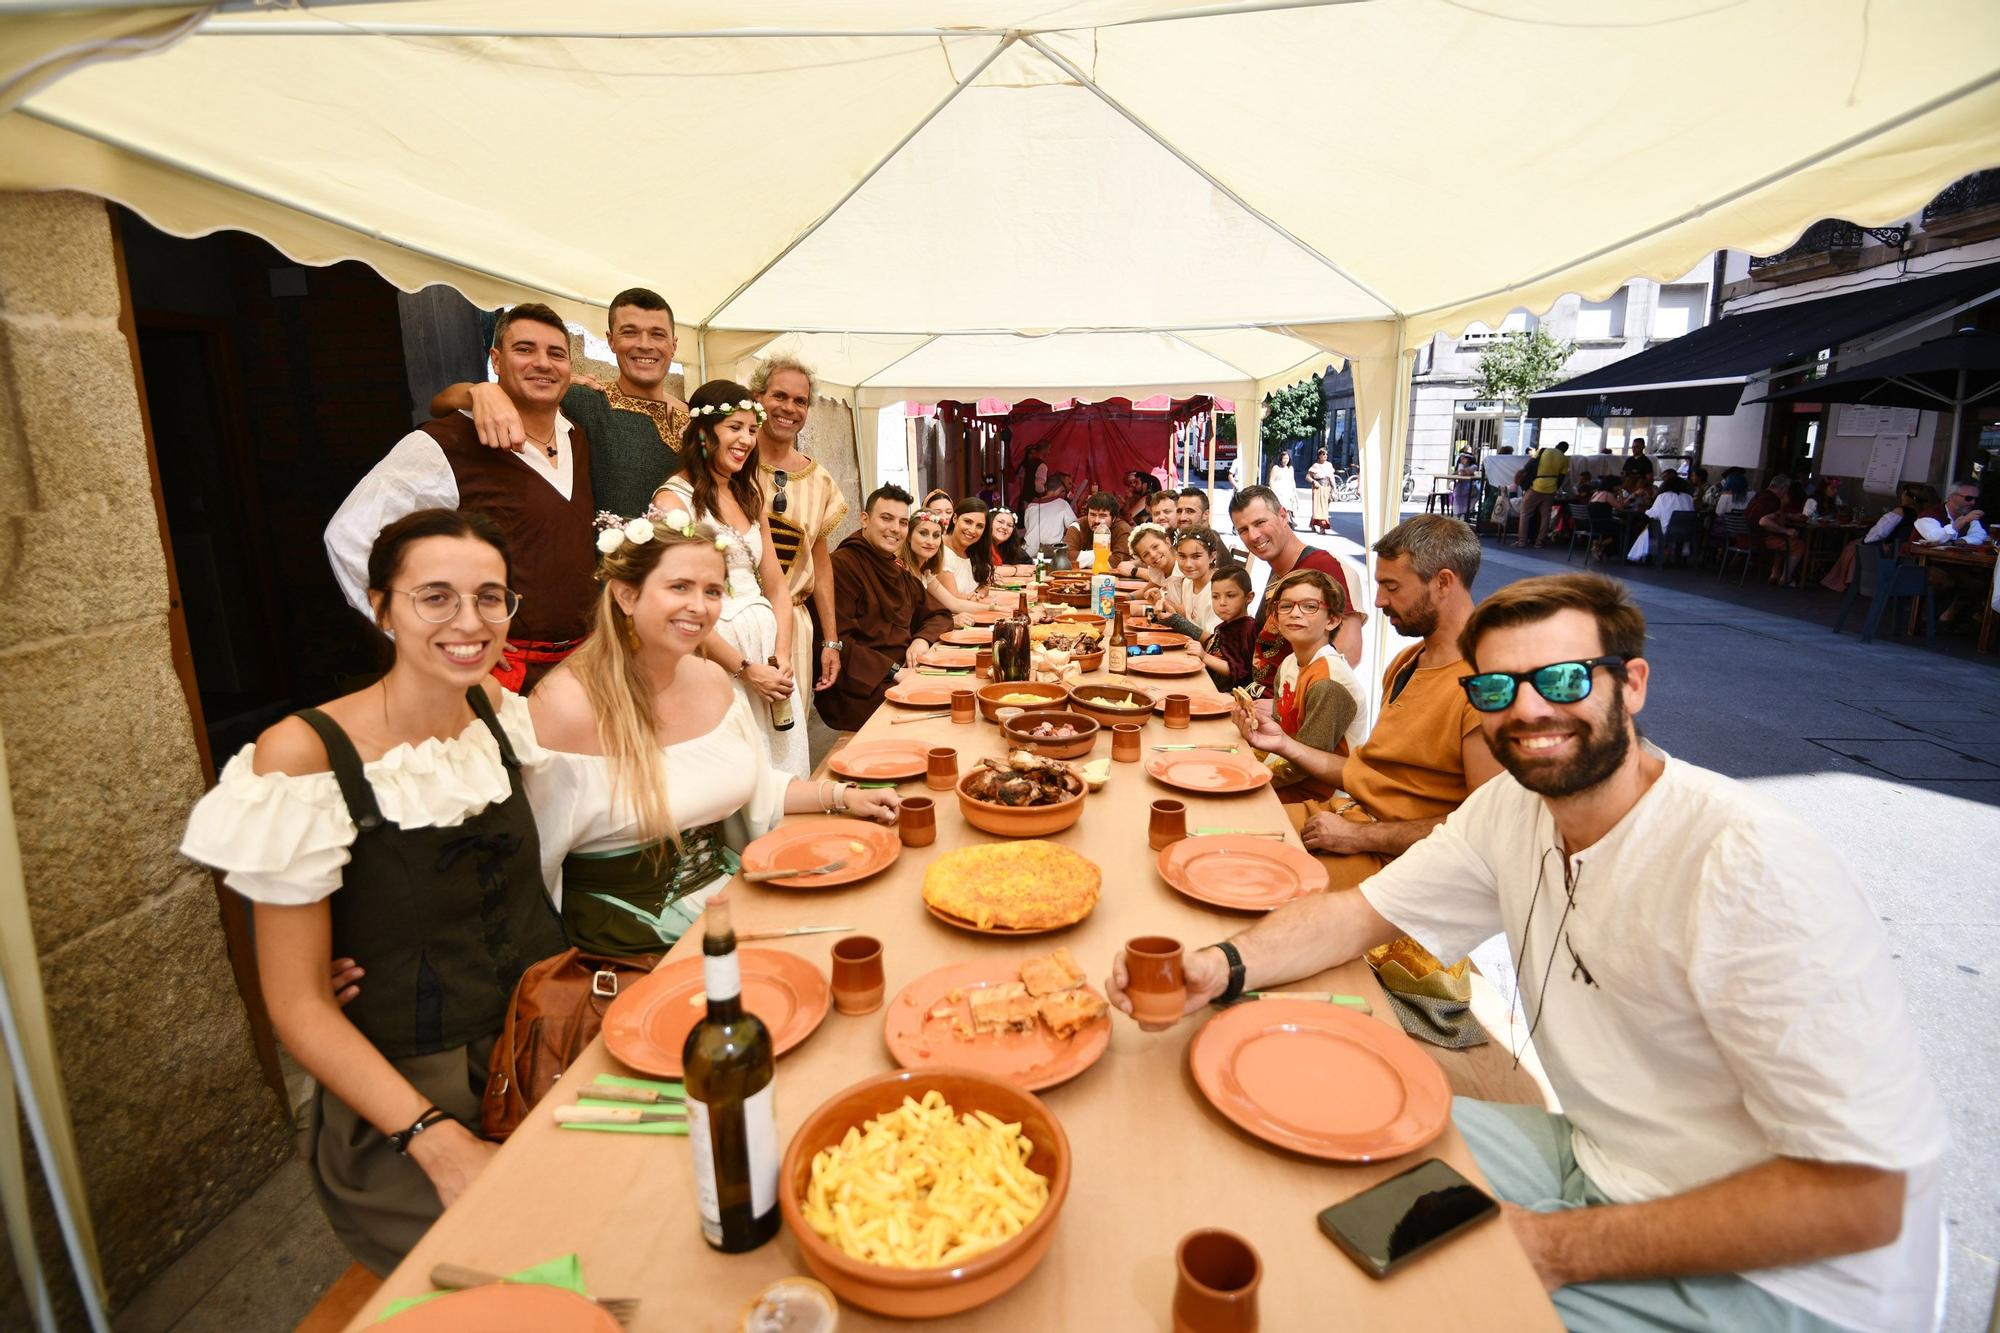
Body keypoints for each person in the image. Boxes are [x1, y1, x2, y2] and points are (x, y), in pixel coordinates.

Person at [1110, 572, 1945, 1333]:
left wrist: (1549, 1247)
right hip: (1590, 1152)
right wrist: (1218, 965)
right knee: (1296, 1148)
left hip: (1791, 1280)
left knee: (1406, 1304)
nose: (1531, 710)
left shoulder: (1752, 864)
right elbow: (1353, 915)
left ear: (1635, 684)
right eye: (1499, 687)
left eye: (1566, 680)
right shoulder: (1512, 806)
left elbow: (1865, 1198)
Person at [184, 510, 568, 1274]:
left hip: (545, 1047)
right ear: (379, 605)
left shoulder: (496, 713)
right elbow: (297, 1003)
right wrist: (436, 1137)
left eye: (491, 597)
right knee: (535, 1277)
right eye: (436, 596)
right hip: (410, 1093)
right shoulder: (301, 754)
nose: (470, 621)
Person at [526, 515, 896, 956]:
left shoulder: (713, 680)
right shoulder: (564, 705)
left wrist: (842, 797)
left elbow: (757, 786)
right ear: (626, 594)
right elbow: (534, 863)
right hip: (624, 944)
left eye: (713, 591)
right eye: (679, 587)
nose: (700, 607)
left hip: (726, 900)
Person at [329, 303, 596, 693]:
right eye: (525, 349)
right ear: (496, 360)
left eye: (556, 353)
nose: (543, 363)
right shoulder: (446, 441)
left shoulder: (575, 435)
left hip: (582, 666)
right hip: (497, 677)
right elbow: (350, 535)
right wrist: (429, 637)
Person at [1242, 515, 1501, 901]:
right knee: (1222, 830)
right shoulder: (1409, 660)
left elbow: (1486, 831)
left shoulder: (1487, 686)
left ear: (1444, 582)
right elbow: (1370, 774)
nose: (1378, 601)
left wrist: (1361, 836)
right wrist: (1282, 743)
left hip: (1399, 863)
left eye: (1391, 587)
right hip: (1351, 822)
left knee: (1247, 884)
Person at [652, 381, 804, 778]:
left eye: (752, 430)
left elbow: (776, 586)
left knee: (782, 767)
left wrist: (781, 656)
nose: (746, 439)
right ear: (704, 432)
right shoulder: (672, 501)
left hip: (767, 653)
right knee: (738, 772)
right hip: (715, 658)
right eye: (735, 427)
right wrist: (744, 668)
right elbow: (677, 606)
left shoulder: (748, 494)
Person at [429, 287, 687, 518]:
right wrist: (481, 392)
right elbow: (440, 404)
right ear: (611, 340)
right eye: (630, 333)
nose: (645, 345)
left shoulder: (694, 414)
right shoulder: (585, 399)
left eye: (657, 334)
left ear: (673, 345)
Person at [749, 357, 848, 709]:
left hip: (795, 624)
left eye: (800, 401)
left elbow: (820, 564)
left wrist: (831, 641)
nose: (789, 408)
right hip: (740, 624)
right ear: (757, 396)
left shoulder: (819, 480)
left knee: (789, 735)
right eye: (779, 396)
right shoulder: (731, 464)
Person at [818, 486, 956, 729]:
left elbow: (938, 613)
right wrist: (894, 672)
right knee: (944, 714)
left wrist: (921, 641)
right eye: (886, 518)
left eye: (903, 522)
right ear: (865, 519)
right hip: (861, 685)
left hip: (902, 669)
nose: (895, 529)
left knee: (960, 692)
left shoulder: (893, 567)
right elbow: (839, 642)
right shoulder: (842, 566)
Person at [1235, 568, 1367, 799]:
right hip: (1284, 774)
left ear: (1333, 620)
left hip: (1318, 796)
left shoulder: (1329, 682)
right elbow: (1281, 728)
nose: (1295, 613)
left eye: (1309, 606)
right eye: (1286, 606)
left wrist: (1244, 777)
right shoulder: (1288, 662)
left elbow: (1305, 764)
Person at [1227, 485, 1366, 688]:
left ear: (1283, 516)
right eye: (1243, 530)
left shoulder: (1326, 567)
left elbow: (1348, 656)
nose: (1254, 535)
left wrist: (1285, 704)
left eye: (1260, 522)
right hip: (1257, 694)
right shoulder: (1278, 569)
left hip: (1287, 708)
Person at [1196, 567, 1257, 691]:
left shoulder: (1247, 629)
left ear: (1249, 597)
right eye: (1215, 597)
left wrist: (1204, 656)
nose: (1222, 603)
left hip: (1226, 695)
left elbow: (1240, 670)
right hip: (1207, 685)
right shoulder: (1227, 624)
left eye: (1230, 595)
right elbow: (1216, 647)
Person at [1743, 475, 1805, 587]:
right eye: (1786, 490)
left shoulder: (1758, 496)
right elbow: (1764, 521)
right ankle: (1786, 578)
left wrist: (1789, 516)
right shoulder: (1773, 501)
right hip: (1761, 539)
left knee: (1782, 541)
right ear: (1782, 489)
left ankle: (1774, 575)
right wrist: (1786, 530)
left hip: (1746, 536)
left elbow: (1769, 515)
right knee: (1798, 545)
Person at [1160, 528, 1224, 636]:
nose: (1188, 564)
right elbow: (1190, 617)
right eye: (1182, 556)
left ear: (1212, 556)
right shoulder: (1187, 583)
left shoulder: (1220, 590)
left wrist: (1176, 622)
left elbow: (1214, 641)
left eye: (1196, 556)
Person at [1626, 472, 1695, 563]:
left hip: (1665, 531)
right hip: (1686, 532)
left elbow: (1652, 514)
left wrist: (1645, 510)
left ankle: (1645, 557)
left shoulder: (1663, 497)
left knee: (1646, 528)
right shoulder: (1688, 498)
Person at [1518, 440, 1570, 547]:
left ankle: (1522, 541)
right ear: (1565, 450)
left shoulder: (1543, 451)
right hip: (1551, 488)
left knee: (1525, 513)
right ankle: (1539, 542)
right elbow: (1561, 477)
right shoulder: (1564, 459)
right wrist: (1555, 488)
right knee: (1545, 516)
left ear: (1556, 445)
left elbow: (1530, 465)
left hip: (1537, 485)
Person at [1064, 491, 1134, 571]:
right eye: (1092, 515)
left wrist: (1081, 559)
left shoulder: (1123, 529)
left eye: (1103, 516)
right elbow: (1066, 558)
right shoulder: (1077, 526)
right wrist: (1105, 554)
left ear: (1114, 518)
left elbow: (1117, 563)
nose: (1096, 520)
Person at [1020, 467, 1078, 561]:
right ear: (1060, 490)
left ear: (1046, 488)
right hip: (1051, 553)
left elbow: (1028, 527)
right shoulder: (1061, 503)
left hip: (1029, 552)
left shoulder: (1031, 506)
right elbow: (1073, 526)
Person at [939, 496, 991, 596]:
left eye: (979, 526)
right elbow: (953, 600)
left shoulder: (974, 551)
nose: (972, 530)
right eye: (968, 522)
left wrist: (979, 593)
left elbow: (985, 585)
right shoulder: (938, 548)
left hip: (972, 610)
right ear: (955, 518)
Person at [1913, 480, 1988, 546]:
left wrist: (1959, 541)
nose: (1973, 502)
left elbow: (1980, 535)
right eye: (1968, 498)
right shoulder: (1930, 514)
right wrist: (1962, 522)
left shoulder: (1968, 516)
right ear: (1952, 497)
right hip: (1916, 560)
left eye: (1976, 499)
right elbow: (1934, 538)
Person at [1480, 445, 1524, 530]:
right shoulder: (1508, 462)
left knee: (1493, 501)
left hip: (1494, 484)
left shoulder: (1496, 460)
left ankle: (1487, 521)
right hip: (1506, 486)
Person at [1306, 448, 1337, 533]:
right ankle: (1322, 527)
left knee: (1325, 508)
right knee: (1319, 508)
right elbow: (1307, 477)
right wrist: (1314, 481)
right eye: (1323, 454)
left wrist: (1334, 488)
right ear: (1319, 456)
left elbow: (1331, 477)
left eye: (1326, 454)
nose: (1325, 456)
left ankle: (1313, 524)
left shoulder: (1329, 465)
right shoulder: (1315, 465)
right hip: (1318, 488)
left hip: (1327, 488)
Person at [1450, 443, 1478, 520]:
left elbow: (1465, 472)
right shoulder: (1460, 465)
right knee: (1457, 496)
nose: (1463, 459)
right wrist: (1463, 468)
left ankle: (1466, 513)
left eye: (1464, 458)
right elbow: (1461, 473)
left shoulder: (1474, 466)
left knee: (1469, 498)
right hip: (1461, 485)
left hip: (1470, 486)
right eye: (1462, 458)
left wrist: (1465, 470)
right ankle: (1457, 514)